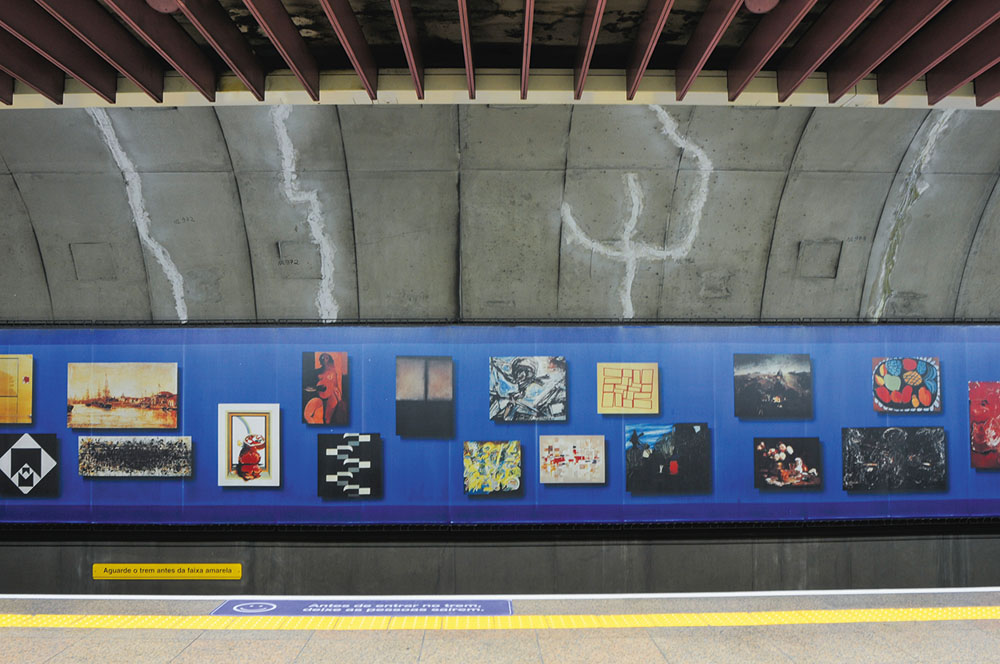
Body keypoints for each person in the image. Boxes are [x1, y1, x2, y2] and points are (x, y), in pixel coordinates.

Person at [304, 353, 346, 424]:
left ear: (329, 359)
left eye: (326, 358)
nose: (324, 360)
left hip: (331, 396)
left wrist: (339, 397)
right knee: (318, 416)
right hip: (320, 395)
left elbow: (335, 385)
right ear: (320, 360)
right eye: (322, 358)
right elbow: (313, 385)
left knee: (327, 418)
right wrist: (316, 388)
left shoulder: (333, 371)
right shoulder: (317, 372)